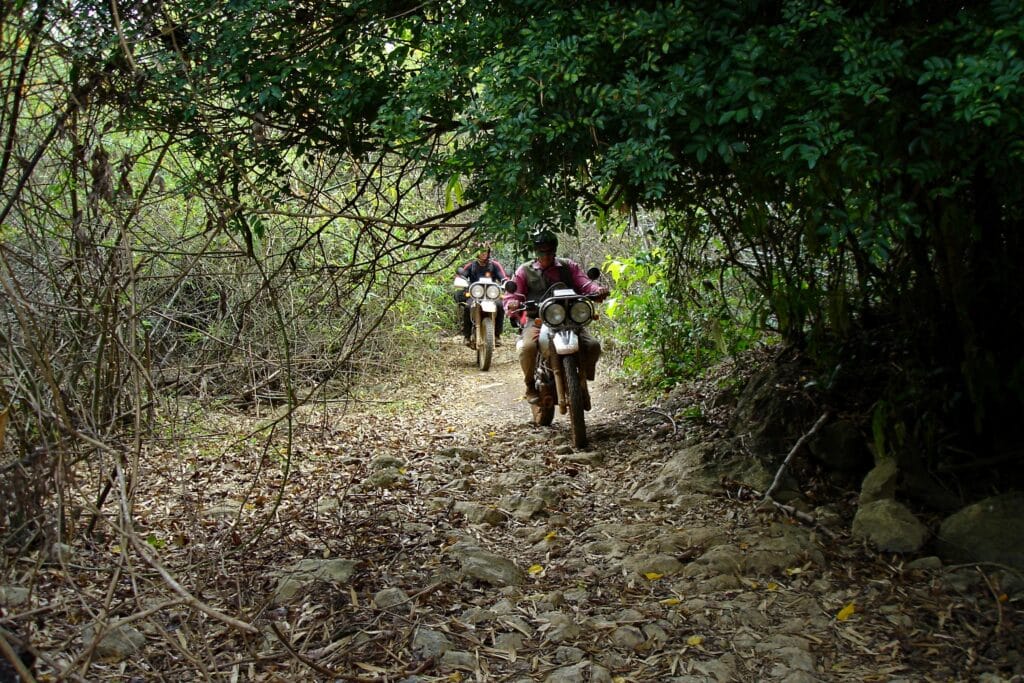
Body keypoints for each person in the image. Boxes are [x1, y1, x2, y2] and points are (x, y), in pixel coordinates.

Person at [504, 230, 609, 402]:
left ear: (555, 250)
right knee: (527, 348)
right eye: (541, 251)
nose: (545, 255)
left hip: (568, 319)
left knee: (593, 346)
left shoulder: (568, 266)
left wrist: (597, 291)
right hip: (537, 319)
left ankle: (583, 378)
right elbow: (512, 294)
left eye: (549, 251)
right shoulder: (524, 270)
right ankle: (530, 385)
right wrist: (512, 303)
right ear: (535, 252)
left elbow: (584, 283)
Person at [456, 241, 509, 347]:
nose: (483, 253)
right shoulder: (471, 265)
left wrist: (506, 283)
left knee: (499, 305)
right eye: (481, 251)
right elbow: (461, 276)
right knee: (468, 307)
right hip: (475, 295)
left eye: (485, 251)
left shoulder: (495, 265)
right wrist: (462, 280)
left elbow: (503, 277)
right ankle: (467, 336)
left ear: (489, 252)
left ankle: (497, 335)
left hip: (491, 296)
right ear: (476, 252)